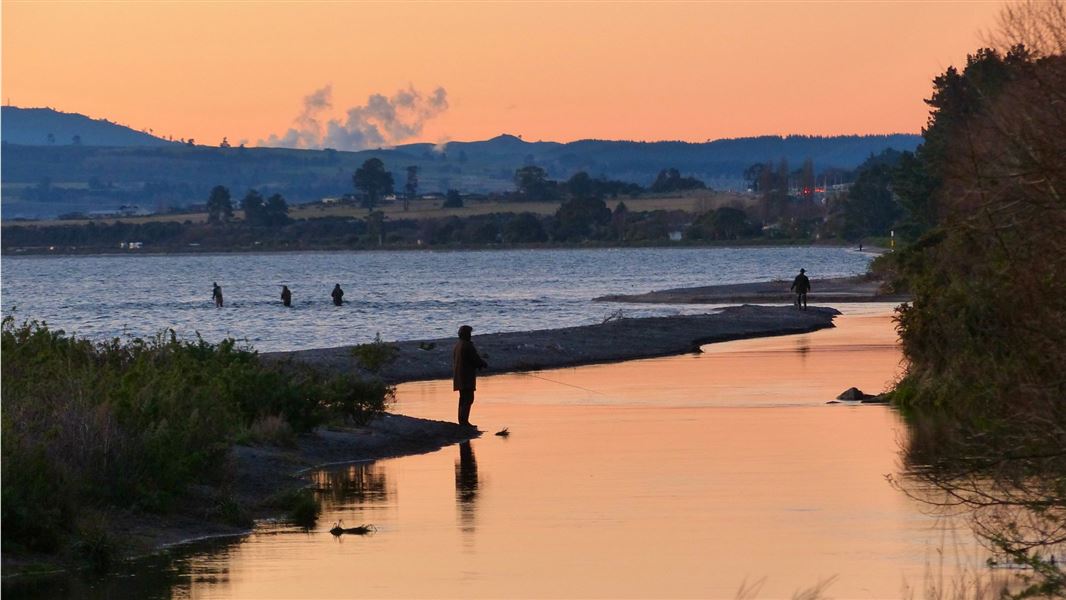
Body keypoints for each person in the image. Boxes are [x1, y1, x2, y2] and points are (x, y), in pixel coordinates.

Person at [452, 325, 488, 427]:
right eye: (469, 333)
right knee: (468, 398)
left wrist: (479, 364)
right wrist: (482, 364)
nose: (470, 335)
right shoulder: (467, 345)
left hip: (459, 376)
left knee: (463, 398)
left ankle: (462, 420)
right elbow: (475, 359)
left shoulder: (458, 345)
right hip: (466, 376)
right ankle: (464, 421)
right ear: (466, 334)